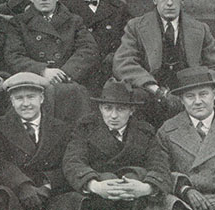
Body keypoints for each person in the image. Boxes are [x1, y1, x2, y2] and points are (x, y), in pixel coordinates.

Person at [113, 0, 215, 128]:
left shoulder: (200, 29)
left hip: (190, 92)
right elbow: (123, 63)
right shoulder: (136, 26)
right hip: (153, 93)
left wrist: (196, 90)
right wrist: (155, 90)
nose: (169, 3)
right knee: (137, 97)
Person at [50, 79, 172, 210]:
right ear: (100, 108)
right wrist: (94, 185)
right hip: (96, 197)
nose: (113, 115)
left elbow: (159, 164)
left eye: (121, 109)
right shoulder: (85, 128)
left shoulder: (145, 132)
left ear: (131, 110)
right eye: (108, 108)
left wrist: (146, 188)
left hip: (134, 197)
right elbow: (73, 161)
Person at [4, 0, 98, 122]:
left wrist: (65, 73)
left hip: (66, 79)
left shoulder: (74, 21)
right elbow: (14, 55)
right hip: (32, 80)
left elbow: (88, 49)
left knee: (76, 98)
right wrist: (43, 70)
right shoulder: (19, 23)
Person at [0, 72, 73, 210]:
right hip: (16, 189)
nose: (26, 104)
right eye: (19, 98)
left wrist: (48, 186)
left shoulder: (61, 128)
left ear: (41, 98)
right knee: (0, 198)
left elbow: (68, 163)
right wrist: (22, 186)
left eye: (31, 97)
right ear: (12, 101)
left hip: (50, 190)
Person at [157, 67, 215, 210]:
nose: (198, 101)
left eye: (203, 94)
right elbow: (159, 170)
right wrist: (184, 189)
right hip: (184, 202)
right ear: (181, 100)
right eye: (190, 96)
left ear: (214, 95)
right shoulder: (167, 130)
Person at [63, 0, 132, 95]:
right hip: (77, 77)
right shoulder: (66, 9)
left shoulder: (119, 9)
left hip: (109, 76)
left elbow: (129, 41)